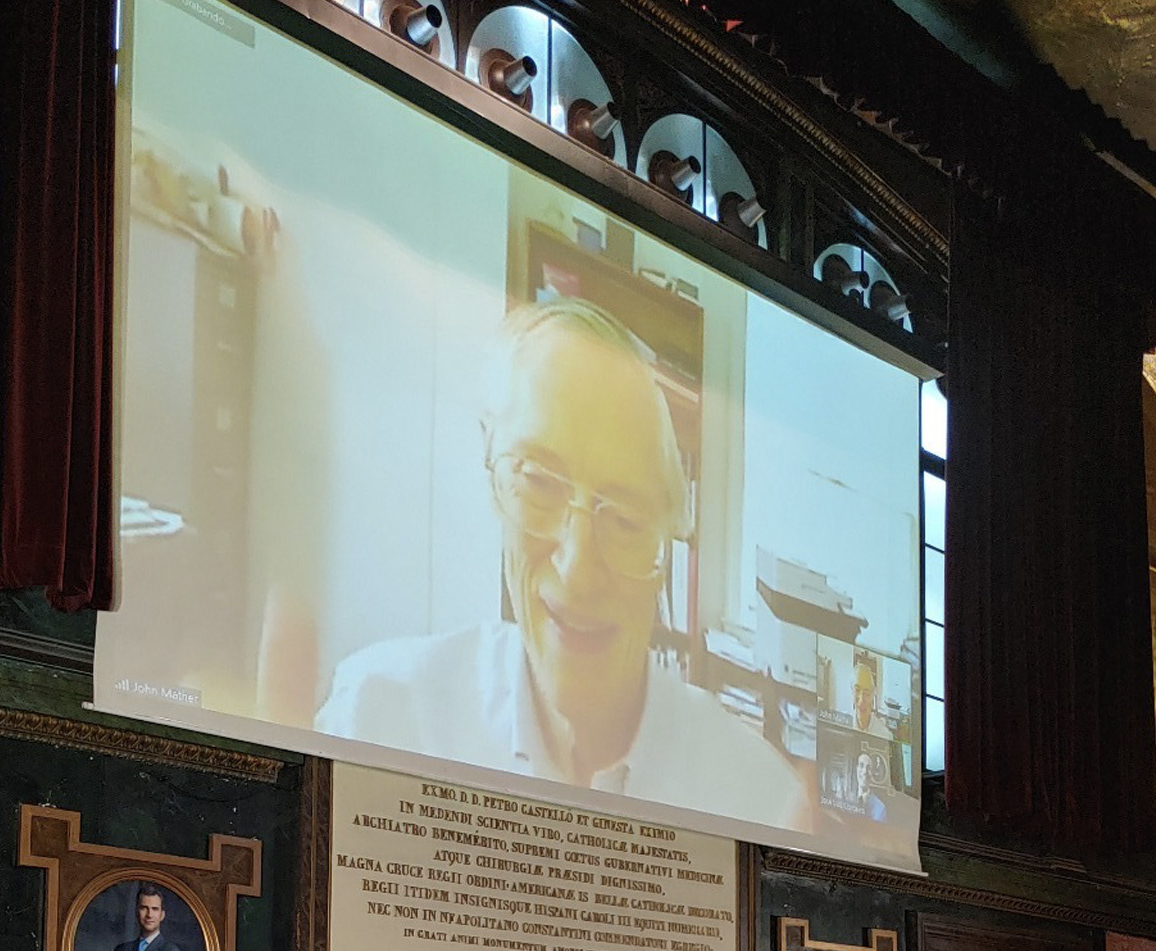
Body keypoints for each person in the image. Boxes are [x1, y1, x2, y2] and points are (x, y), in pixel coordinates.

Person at [315, 296, 809, 830]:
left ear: (665, 551)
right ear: (494, 481)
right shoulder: (379, 718)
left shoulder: (760, 799)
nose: (578, 570)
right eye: (538, 483)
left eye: (625, 520)